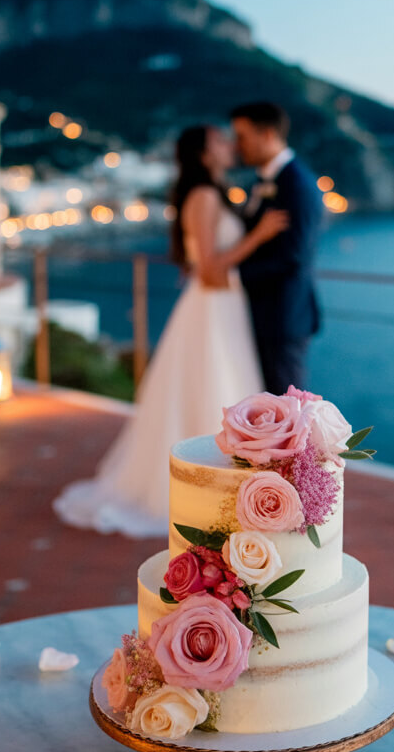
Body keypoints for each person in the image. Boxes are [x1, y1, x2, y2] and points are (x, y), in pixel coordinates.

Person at [52, 124, 289, 537]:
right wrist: (259, 236)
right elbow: (211, 269)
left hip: (220, 307)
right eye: (220, 141)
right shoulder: (204, 195)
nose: (229, 145)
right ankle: (213, 491)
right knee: (211, 388)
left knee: (217, 388)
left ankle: (231, 487)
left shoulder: (212, 193)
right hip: (214, 305)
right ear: (203, 154)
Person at [231, 101, 324, 394]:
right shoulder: (263, 181)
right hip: (262, 315)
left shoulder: (297, 185)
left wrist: (233, 275)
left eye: (243, 136)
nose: (238, 145)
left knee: (287, 408)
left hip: (283, 318)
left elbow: (293, 257)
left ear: (267, 134)